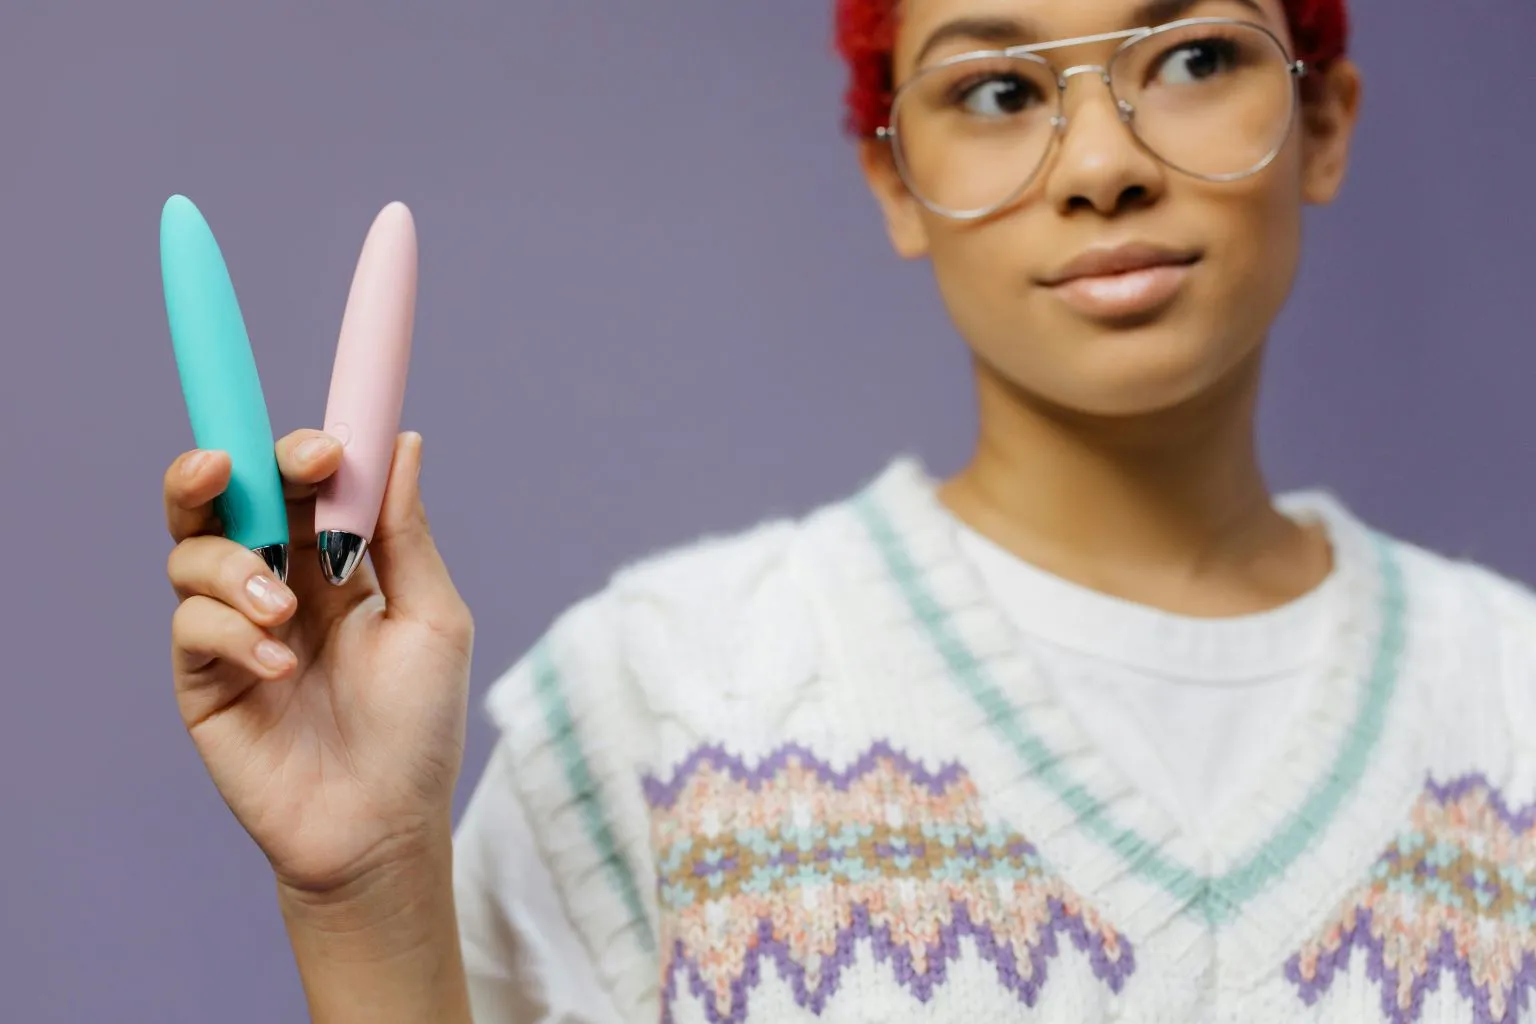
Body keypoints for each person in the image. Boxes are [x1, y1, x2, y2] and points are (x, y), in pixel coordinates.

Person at [158, 0, 1536, 1020]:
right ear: (895, 181)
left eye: (1189, 58)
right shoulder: (665, 701)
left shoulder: (1513, 705)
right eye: (997, 91)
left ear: (1327, 116)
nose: (1099, 164)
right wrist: (367, 890)